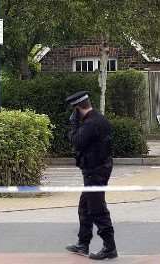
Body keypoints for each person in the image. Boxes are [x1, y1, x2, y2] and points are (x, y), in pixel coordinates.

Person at [65, 91, 117, 260]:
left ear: (78, 108)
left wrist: (73, 127)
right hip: (97, 168)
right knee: (85, 207)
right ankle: (83, 243)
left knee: (97, 208)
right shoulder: (99, 119)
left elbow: (77, 142)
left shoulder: (90, 124)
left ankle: (110, 247)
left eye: (74, 110)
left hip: (95, 170)